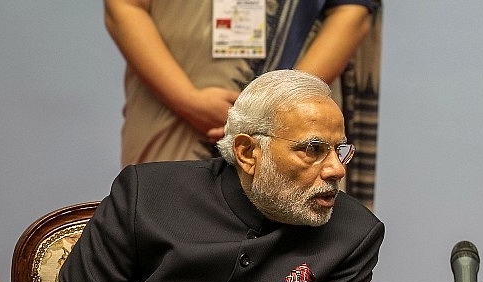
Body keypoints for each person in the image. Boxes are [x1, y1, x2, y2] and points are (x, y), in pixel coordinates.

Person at [22, 69, 385, 282]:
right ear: (246, 152)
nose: (337, 169)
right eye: (313, 150)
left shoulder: (354, 233)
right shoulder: (145, 195)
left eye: (339, 150)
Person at [104, 0, 378, 174]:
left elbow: (351, 12)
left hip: (295, 111)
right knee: (163, 222)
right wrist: (187, 100)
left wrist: (278, 108)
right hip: (171, 109)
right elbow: (124, 7)